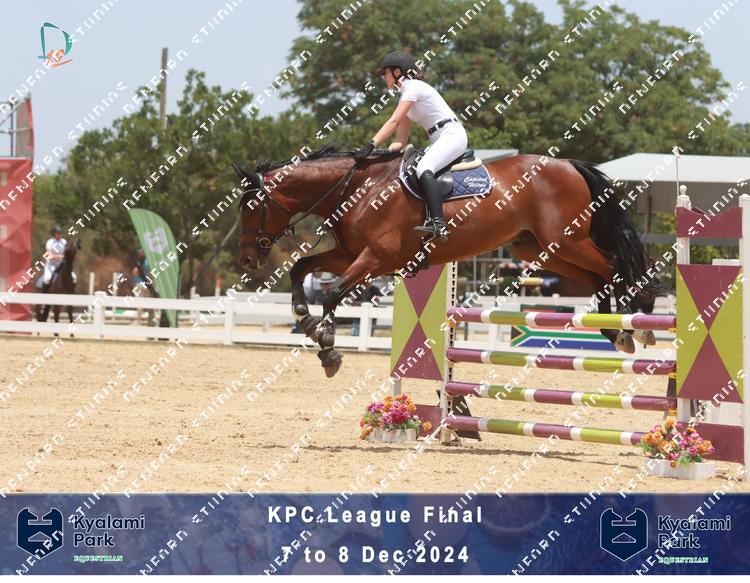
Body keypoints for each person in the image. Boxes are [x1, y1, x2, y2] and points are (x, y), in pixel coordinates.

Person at [355, 51, 469, 242]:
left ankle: (439, 224)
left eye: (386, 73)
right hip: (439, 138)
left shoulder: (413, 87)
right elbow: (400, 140)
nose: (384, 77)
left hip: (452, 134)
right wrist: (380, 155)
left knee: (424, 167)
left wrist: (370, 144)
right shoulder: (405, 96)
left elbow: (393, 121)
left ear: (397, 72)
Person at [42, 225, 76, 290]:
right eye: (57, 233)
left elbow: (65, 255)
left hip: (61, 264)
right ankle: (44, 293)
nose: (59, 234)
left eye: (60, 233)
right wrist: (61, 256)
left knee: (74, 278)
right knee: (47, 279)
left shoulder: (64, 242)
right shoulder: (50, 242)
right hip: (51, 265)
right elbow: (50, 256)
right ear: (54, 234)